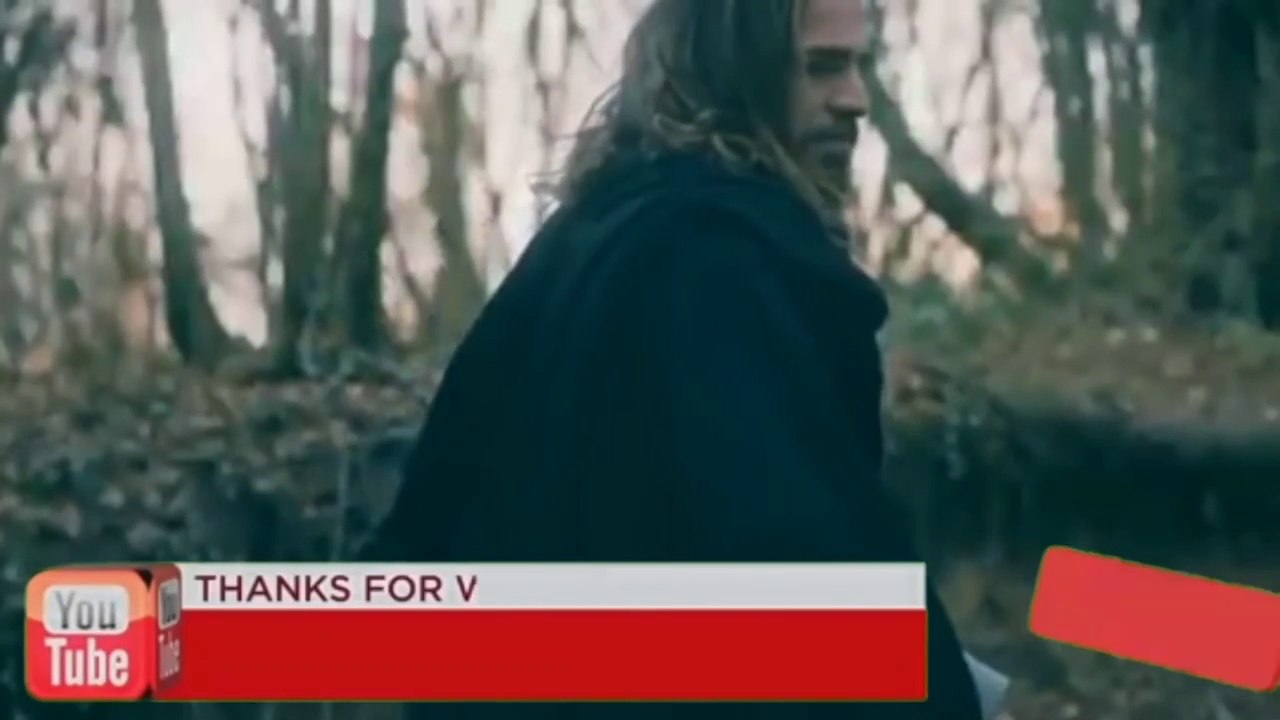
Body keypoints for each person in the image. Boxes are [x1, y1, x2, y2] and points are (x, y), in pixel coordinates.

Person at [361, 0, 983, 717]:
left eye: (857, 66)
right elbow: (801, 571)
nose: (856, 100)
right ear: (735, 73)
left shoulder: (589, 242)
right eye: (822, 67)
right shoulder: (717, 267)